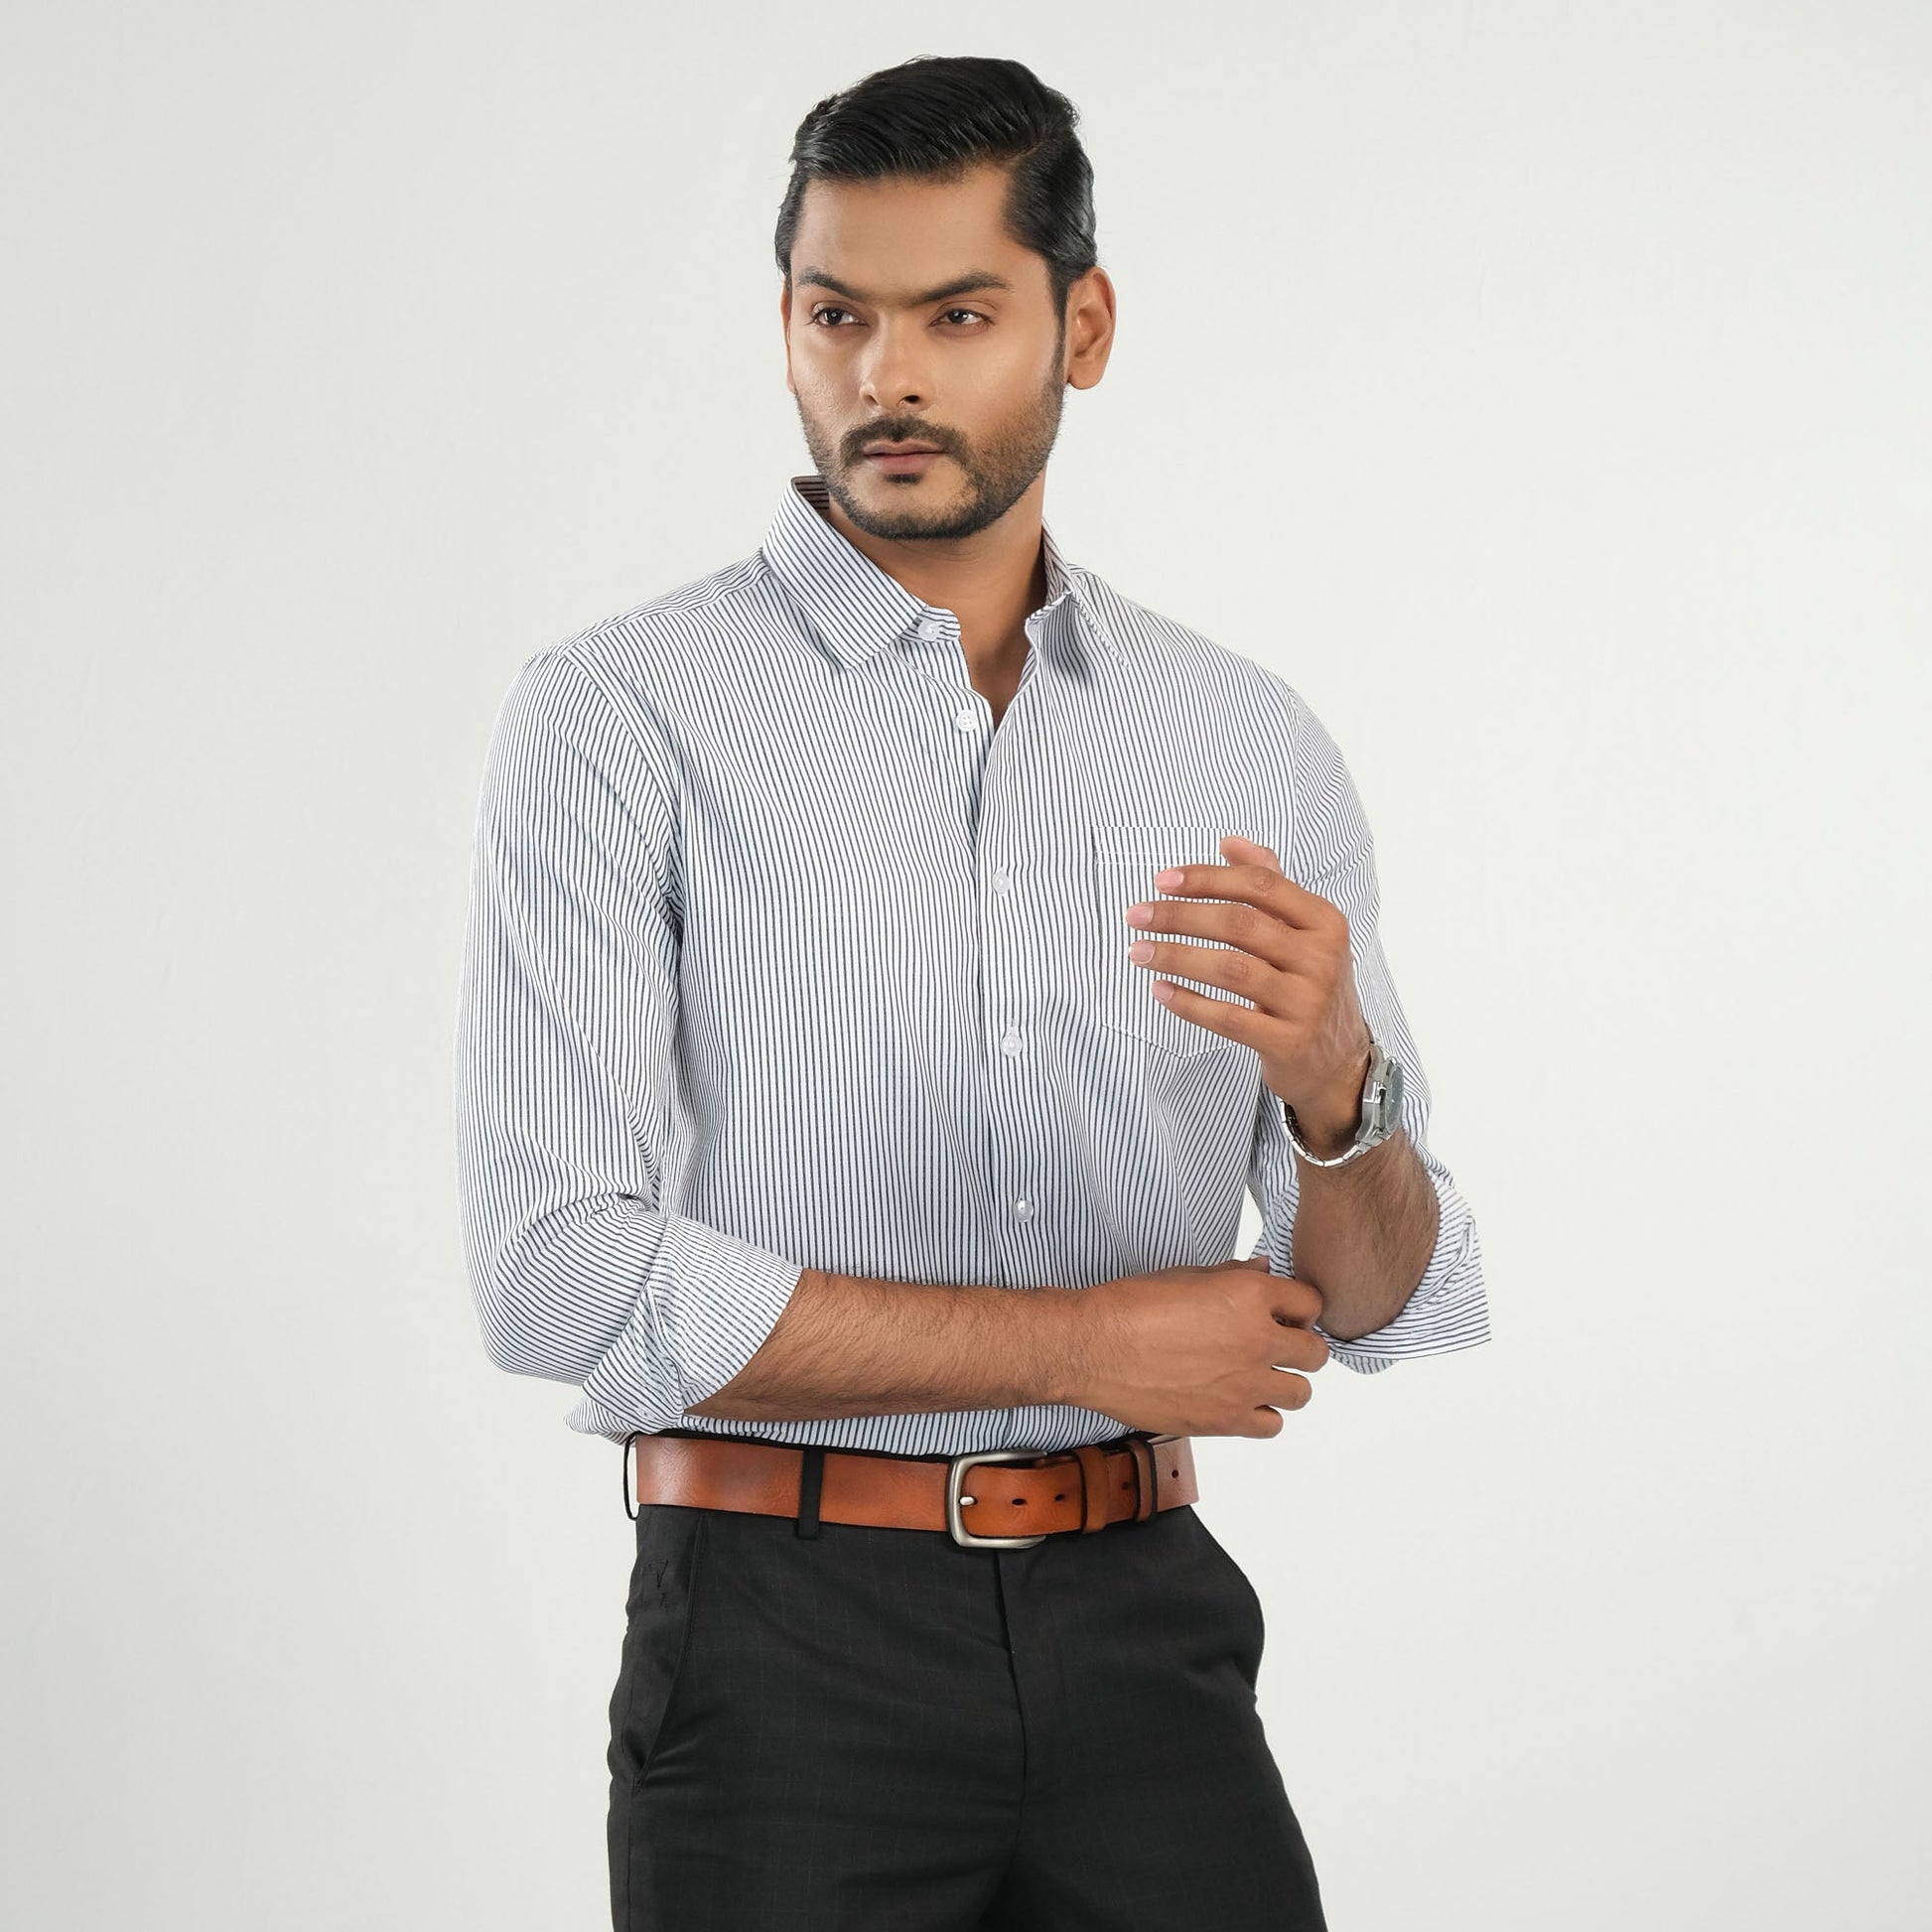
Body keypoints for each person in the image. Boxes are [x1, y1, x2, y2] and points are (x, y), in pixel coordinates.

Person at [453, 52, 1490, 1932]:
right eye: (835, 315)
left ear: (1080, 328)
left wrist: (1345, 1094)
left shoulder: (1241, 740)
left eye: (955, 315)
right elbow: (555, 1274)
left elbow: (1370, 1298)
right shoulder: (618, 716)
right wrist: (1076, 1347)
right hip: (780, 1648)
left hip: (1146, 1629)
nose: (885, 378)